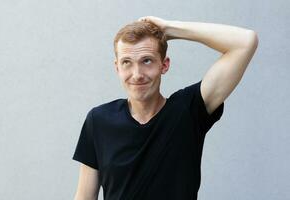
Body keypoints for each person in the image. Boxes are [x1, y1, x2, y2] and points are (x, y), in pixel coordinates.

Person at [72, 16, 258, 200]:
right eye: (127, 62)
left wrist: (170, 29)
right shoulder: (99, 121)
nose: (137, 75)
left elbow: (245, 41)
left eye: (147, 61)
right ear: (117, 68)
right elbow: (84, 197)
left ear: (164, 64)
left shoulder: (188, 111)